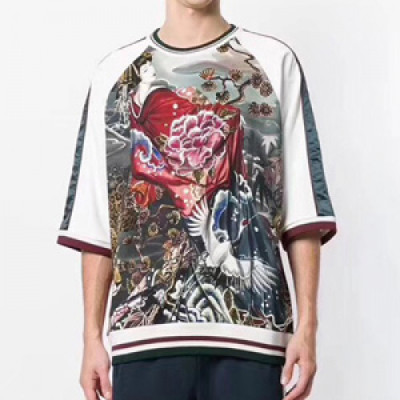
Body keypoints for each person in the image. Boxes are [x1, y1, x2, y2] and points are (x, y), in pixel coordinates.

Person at [56, 1, 338, 399]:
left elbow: (302, 212)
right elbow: (99, 222)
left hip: (254, 335)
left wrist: (308, 328)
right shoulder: (115, 75)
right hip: (144, 337)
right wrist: (91, 339)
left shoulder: (273, 62)